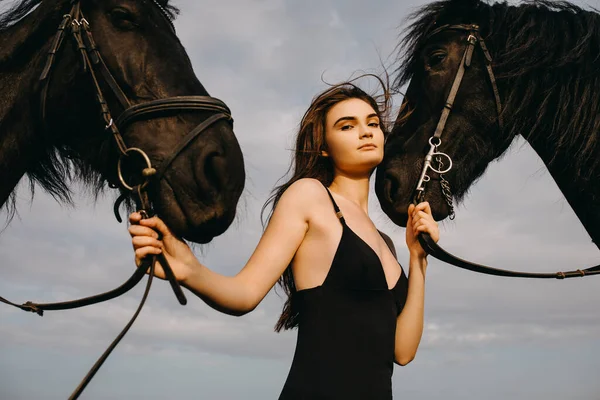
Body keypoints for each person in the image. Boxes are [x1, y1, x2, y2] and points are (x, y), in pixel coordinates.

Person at [128, 78, 439, 399]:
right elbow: (245, 293)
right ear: (323, 146)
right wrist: (188, 268)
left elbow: (402, 351)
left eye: (372, 123)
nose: (366, 132)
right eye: (347, 126)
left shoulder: (385, 241)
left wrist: (418, 259)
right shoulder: (310, 197)